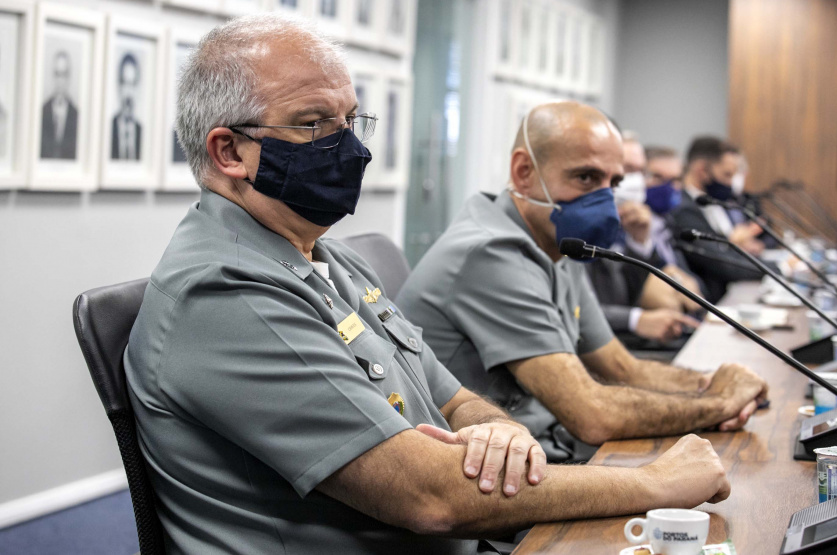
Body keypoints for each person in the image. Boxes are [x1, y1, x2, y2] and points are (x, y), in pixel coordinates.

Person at [125, 14, 732, 554]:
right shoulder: (227, 290)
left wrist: (500, 430)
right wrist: (654, 483)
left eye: (350, 119)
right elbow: (428, 496)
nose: (350, 147)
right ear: (230, 152)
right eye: (314, 124)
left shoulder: (326, 257)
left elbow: (452, 397)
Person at [396, 101, 768, 463]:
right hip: (489, 474)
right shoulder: (490, 253)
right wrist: (719, 403)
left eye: (613, 182)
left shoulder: (559, 242)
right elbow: (591, 414)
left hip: (548, 447)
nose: (605, 198)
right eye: (586, 177)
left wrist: (710, 383)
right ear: (524, 171)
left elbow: (622, 367)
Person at [587, 135, 702, 346]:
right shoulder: (585, 223)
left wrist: (640, 241)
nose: (636, 180)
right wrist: (636, 319)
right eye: (628, 170)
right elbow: (577, 307)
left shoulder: (645, 223)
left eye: (641, 171)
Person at [669, 136, 768, 302]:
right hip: (710, 302)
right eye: (727, 175)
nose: (730, 184)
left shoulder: (715, 202)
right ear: (702, 171)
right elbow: (721, 262)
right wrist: (780, 268)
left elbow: (726, 247)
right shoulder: (683, 209)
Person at [40, 51, 78, 160]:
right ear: (53, 76)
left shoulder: (75, 114)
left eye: (64, 75)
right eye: (57, 74)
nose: (60, 80)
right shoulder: (43, 111)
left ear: (69, 77)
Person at [111, 52, 142, 161]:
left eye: (132, 84)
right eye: (125, 83)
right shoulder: (109, 128)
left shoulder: (141, 132)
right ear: (119, 86)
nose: (129, 94)